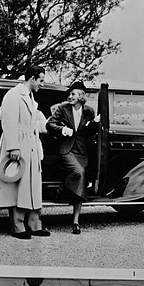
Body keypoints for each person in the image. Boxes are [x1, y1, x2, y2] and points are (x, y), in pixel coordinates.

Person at [0, 65, 51, 239]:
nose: (42, 84)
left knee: (32, 184)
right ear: (32, 78)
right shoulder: (14, 95)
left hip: (31, 143)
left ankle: (34, 224)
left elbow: (34, 122)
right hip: (19, 143)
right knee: (19, 185)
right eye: (40, 80)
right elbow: (8, 122)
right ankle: (17, 226)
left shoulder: (30, 97)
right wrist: (13, 147)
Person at [46, 80, 98, 235]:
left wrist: (95, 124)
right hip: (66, 149)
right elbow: (49, 124)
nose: (70, 96)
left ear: (81, 96)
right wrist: (62, 129)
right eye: (69, 94)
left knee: (80, 178)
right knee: (79, 173)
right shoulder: (63, 108)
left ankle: (76, 221)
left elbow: (90, 133)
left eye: (73, 94)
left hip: (82, 150)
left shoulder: (89, 111)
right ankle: (61, 191)